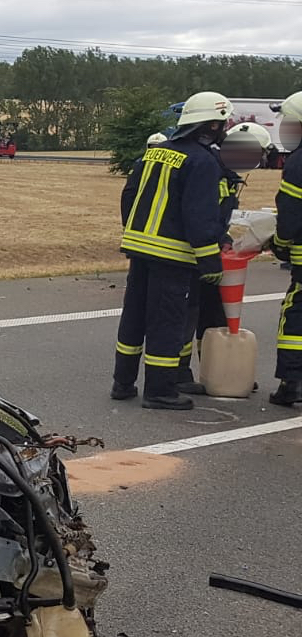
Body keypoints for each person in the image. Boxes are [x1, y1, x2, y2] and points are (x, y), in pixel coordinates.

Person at [112, 91, 229, 409]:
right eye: (223, 123)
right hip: (173, 255)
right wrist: (210, 261)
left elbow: (130, 195)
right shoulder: (203, 162)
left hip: (139, 249)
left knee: (134, 317)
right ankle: (159, 390)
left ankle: (122, 382)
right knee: (167, 321)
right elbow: (199, 216)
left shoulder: (155, 153)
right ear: (212, 125)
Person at [174, 121, 271, 393]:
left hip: (209, 250)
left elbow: (216, 218)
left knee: (214, 314)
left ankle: (219, 369)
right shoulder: (212, 170)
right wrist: (212, 247)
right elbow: (199, 216)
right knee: (189, 312)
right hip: (193, 253)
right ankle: (179, 373)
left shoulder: (225, 173)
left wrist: (225, 240)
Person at [269, 92, 302, 406]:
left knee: (295, 315)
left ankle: (293, 383)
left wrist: (278, 244)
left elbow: (290, 213)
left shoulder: (298, 162)